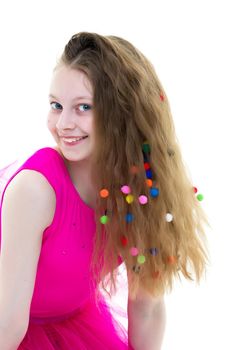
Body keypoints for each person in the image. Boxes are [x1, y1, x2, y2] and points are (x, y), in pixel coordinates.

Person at [0, 32, 209, 350]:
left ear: (123, 114)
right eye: (56, 105)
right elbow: (8, 323)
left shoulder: (141, 190)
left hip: (71, 323)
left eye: (83, 107)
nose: (63, 123)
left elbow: (147, 307)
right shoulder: (35, 192)